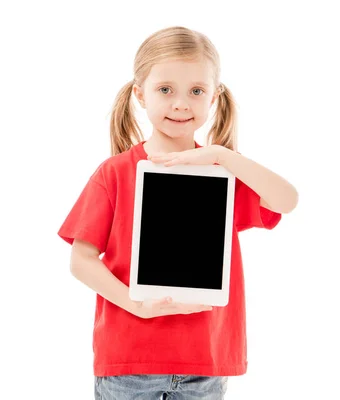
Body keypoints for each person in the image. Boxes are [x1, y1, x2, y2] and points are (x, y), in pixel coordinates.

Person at [57, 26, 298, 400]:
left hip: (204, 363)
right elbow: (81, 259)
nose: (181, 103)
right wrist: (137, 305)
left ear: (214, 97)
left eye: (196, 91)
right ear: (140, 93)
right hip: (129, 363)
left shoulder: (223, 175)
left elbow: (286, 200)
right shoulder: (116, 173)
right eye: (165, 89)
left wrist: (221, 156)